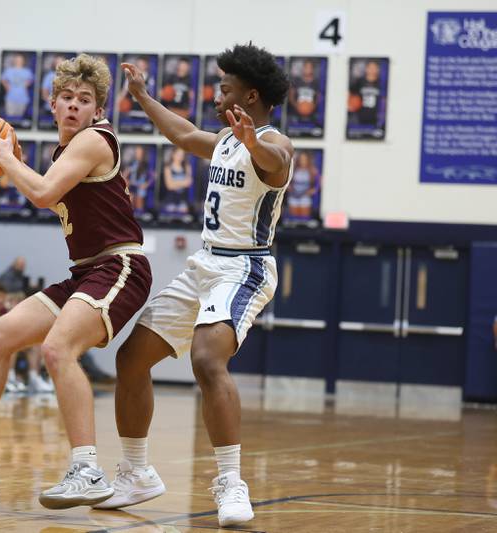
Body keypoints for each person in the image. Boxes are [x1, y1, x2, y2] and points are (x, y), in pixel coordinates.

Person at [0, 53, 152, 509]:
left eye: (85, 99)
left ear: (98, 110)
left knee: (57, 349)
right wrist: (13, 163)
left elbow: (42, 193)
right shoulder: (65, 153)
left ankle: (87, 470)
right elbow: (48, 192)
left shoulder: (94, 139)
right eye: (67, 97)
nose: (74, 105)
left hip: (120, 266)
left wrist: (3, 159)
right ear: (52, 105)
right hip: (86, 272)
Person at [101, 44, 292, 527]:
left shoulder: (274, 142)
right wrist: (142, 96)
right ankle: (136, 473)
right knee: (130, 359)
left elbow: (276, 162)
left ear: (250, 96)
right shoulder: (226, 138)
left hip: (244, 267)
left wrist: (253, 144)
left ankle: (231, 483)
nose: (216, 95)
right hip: (203, 264)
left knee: (206, 360)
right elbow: (183, 134)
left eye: (224, 88)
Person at [286, 150, 319, 219]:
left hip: (305, 198)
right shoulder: (293, 169)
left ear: (308, 160)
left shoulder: (312, 170)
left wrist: (314, 190)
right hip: (293, 197)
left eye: (304, 159)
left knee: (304, 218)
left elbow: (319, 182)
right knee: (293, 219)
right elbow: (286, 181)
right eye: (301, 159)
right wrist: (288, 187)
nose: (302, 161)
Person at [1, 53, 34, 118]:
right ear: (14, 61)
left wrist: (26, 85)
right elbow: (3, 79)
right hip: (10, 97)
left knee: (19, 117)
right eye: (17, 60)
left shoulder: (27, 71)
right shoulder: (9, 70)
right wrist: (7, 86)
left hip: (23, 98)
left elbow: (31, 80)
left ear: (23, 61)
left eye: (20, 60)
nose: (18, 61)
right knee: (10, 117)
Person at [162, 146, 193, 215]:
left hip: (182, 200)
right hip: (170, 199)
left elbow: (189, 183)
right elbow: (169, 186)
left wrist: (174, 183)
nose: (180, 157)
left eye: (182, 155)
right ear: (173, 154)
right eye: (178, 154)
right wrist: (183, 183)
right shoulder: (168, 167)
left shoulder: (187, 166)